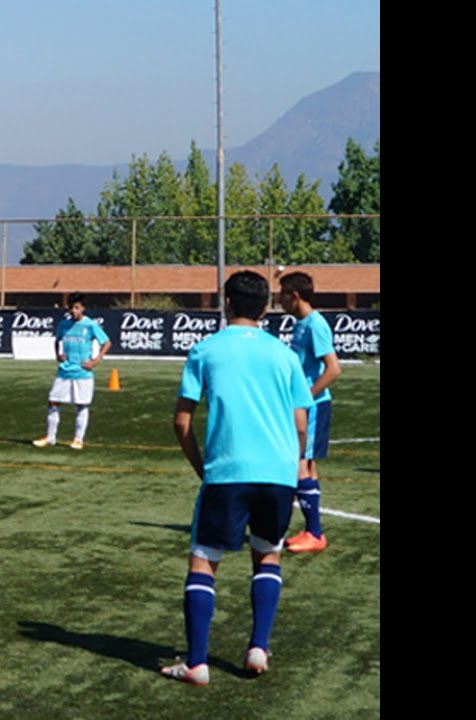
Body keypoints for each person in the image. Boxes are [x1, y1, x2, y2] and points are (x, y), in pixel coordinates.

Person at [161, 270, 313, 686]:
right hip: (278, 474)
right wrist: (290, 464)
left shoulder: (206, 349)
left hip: (227, 473)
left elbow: (181, 421)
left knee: (204, 560)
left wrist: (203, 468)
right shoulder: (284, 355)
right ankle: (258, 649)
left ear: (226, 303)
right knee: (267, 555)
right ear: (265, 308)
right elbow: (301, 422)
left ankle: (196, 664)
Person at [278, 271, 342, 553]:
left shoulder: (315, 325)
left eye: (281, 294)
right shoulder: (301, 323)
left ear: (294, 296)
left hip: (312, 407)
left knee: (299, 466)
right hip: (306, 405)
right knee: (308, 467)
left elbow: (333, 368)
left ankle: (315, 533)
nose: (278, 300)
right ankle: (312, 530)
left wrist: (306, 398)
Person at [31, 293, 112, 450]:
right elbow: (57, 341)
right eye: (71, 308)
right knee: (53, 402)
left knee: (81, 405)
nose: (74, 311)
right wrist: (58, 354)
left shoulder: (90, 325)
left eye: (77, 308)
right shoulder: (64, 324)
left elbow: (107, 342)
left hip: (82, 372)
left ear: (83, 308)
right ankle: (50, 437)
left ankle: (78, 440)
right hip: (64, 371)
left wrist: (96, 360)